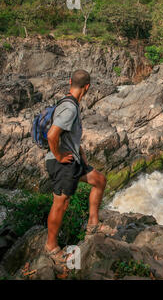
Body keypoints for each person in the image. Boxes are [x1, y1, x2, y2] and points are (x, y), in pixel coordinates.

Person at [44, 70, 114, 265]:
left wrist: (79, 150)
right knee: (61, 204)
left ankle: (93, 224)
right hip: (62, 163)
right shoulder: (70, 108)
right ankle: (51, 246)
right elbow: (52, 135)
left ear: (70, 82)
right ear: (88, 87)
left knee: (99, 180)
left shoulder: (68, 103)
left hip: (72, 160)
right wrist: (58, 155)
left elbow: (66, 133)